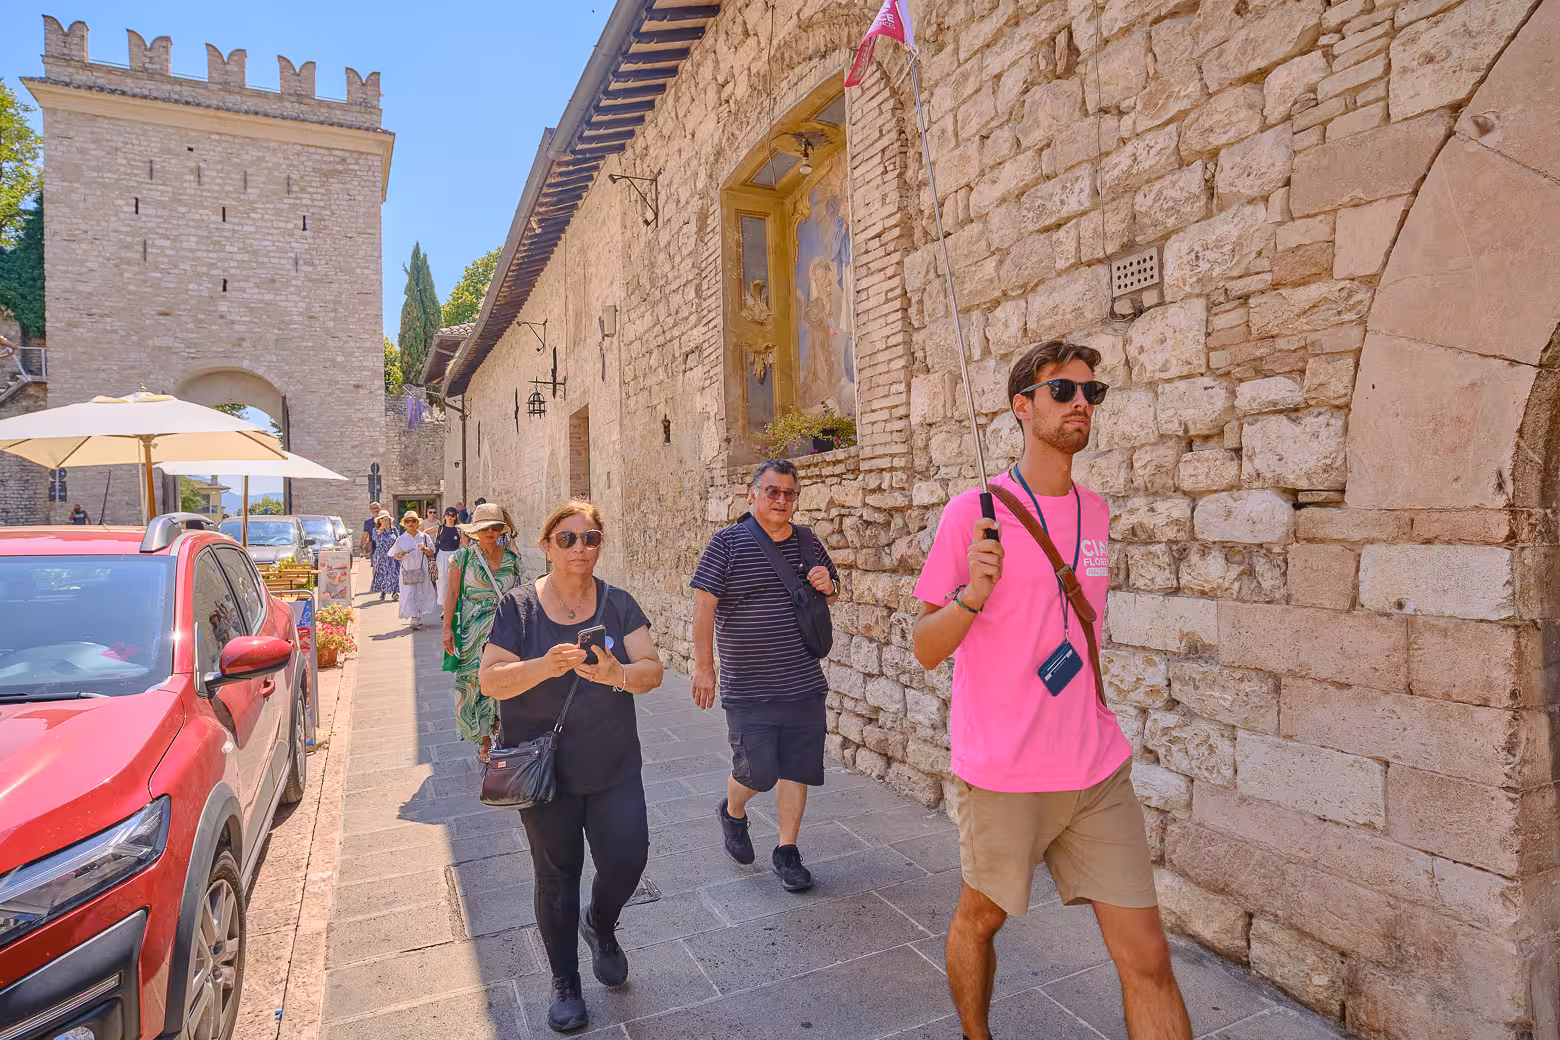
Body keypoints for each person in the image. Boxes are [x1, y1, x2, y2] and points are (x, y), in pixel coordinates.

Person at [911, 341, 1191, 1040]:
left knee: (1149, 957)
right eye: (1063, 391)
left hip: (1095, 765)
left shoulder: (1095, 513)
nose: (1079, 405)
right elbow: (923, 648)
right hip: (1006, 772)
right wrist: (973, 596)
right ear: (1022, 408)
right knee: (981, 920)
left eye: (1090, 394)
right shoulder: (969, 513)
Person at [480, 501, 663, 1033]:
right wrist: (543, 665)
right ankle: (565, 982)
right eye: (568, 538)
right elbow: (492, 680)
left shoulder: (618, 603)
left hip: (613, 763)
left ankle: (600, 923)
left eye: (591, 538)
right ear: (546, 545)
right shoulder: (518, 608)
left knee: (628, 858)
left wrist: (614, 674)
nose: (580, 548)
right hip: (545, 772)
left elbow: (651, 670)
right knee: (557, 875)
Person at [691, 458, 839, 893]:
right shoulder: (727, 544)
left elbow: (828, 596)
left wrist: (828, 586)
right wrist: (704, 666)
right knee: (757, 771)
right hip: (749, 686)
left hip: (803, 681)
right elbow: (704, 607)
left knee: (798, 767)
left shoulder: (809, 542)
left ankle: (787, 851)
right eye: (772, 491)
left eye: (788, 493)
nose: (781, 499)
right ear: (752, 494)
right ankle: (733, 811)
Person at [442, 502, 524, 762]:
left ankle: (503, 733)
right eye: (484, 527)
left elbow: (521, 596)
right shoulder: (463, 557)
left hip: (505, 631)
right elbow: (452, 594)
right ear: (476, 530)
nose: (490, 532)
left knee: (506, 682)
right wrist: (447, 629)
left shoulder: (512, 559)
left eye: (496, 527)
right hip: (471, 630)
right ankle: (485, 742)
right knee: (475, 685)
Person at [391, 511, 438, 629]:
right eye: (408, 521)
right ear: (404, 524)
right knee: (410, 593)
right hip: (407, 570)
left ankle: (418, 615)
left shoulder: (424, 537)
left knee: (421, 592)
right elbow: (394, 554)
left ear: (417, 523)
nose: (410, 523)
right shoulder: (401, 539)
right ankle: (414, 617)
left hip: (422, 568)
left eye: (413, 521)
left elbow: (432, 552)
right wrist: (400, 554)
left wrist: (425, 549)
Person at [369, 513, 400, 602]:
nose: (383, 521)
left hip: (393, 554)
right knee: (383, 573)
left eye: (385, 519)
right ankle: (383, 591)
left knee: (394, 573)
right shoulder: (376, 530)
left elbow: (398, 540)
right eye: (381, 519)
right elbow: (376, 538)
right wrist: (382, 528)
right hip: (381, 554)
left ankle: (395, 592)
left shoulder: (394, 529)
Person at [434, 506, 464, 588]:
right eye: (448, 514)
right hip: (442, 555)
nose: (450, 517)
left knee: (455, 581)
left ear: (456, 517)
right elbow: (424, 532)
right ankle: (441, 601)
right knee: (442, 580)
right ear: (445, 515)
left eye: (452, 515)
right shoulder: (440, 528)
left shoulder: (458, 529)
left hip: (454, 555)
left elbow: (465, 543)